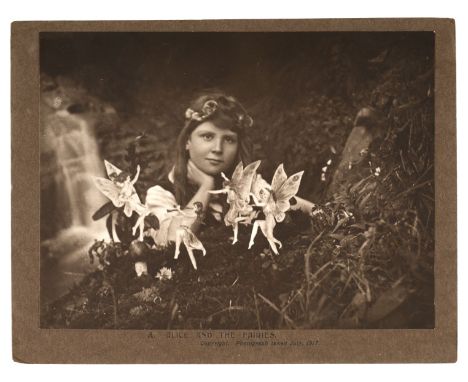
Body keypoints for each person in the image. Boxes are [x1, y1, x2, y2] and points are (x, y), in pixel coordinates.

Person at [145, 91, 315, 247]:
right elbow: (173, 240)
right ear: (187, 142)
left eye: (229, 140)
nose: (218, 148)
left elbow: (292, 204)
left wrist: (323, 212)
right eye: (207, 136)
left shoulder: (248, 186)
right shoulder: (161, 193)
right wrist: (206, 187)